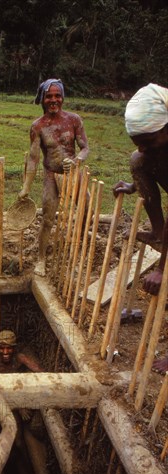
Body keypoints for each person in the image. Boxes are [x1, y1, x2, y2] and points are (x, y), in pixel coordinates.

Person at [113, 83, 168, 374]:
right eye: (137, 140)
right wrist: (135, 186)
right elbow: (149, 159)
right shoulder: (154, 144)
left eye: (147, 140)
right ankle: (160, 234)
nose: (141, 146)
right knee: (139, 162)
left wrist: (162, 267)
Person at [18, 78, 89, 276]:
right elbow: (33, 158)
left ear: (63, 98)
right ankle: (41, 259)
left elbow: (85, 148)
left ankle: (79, 251)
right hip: (51, 175)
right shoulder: (38, 126)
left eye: (57, 96)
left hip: (73, 173)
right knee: (48, 219)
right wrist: (26, 187)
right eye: (49, 96)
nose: (53, 100)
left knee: (86, 210)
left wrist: (77, 161)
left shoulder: (74, 120)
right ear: (42, 99)